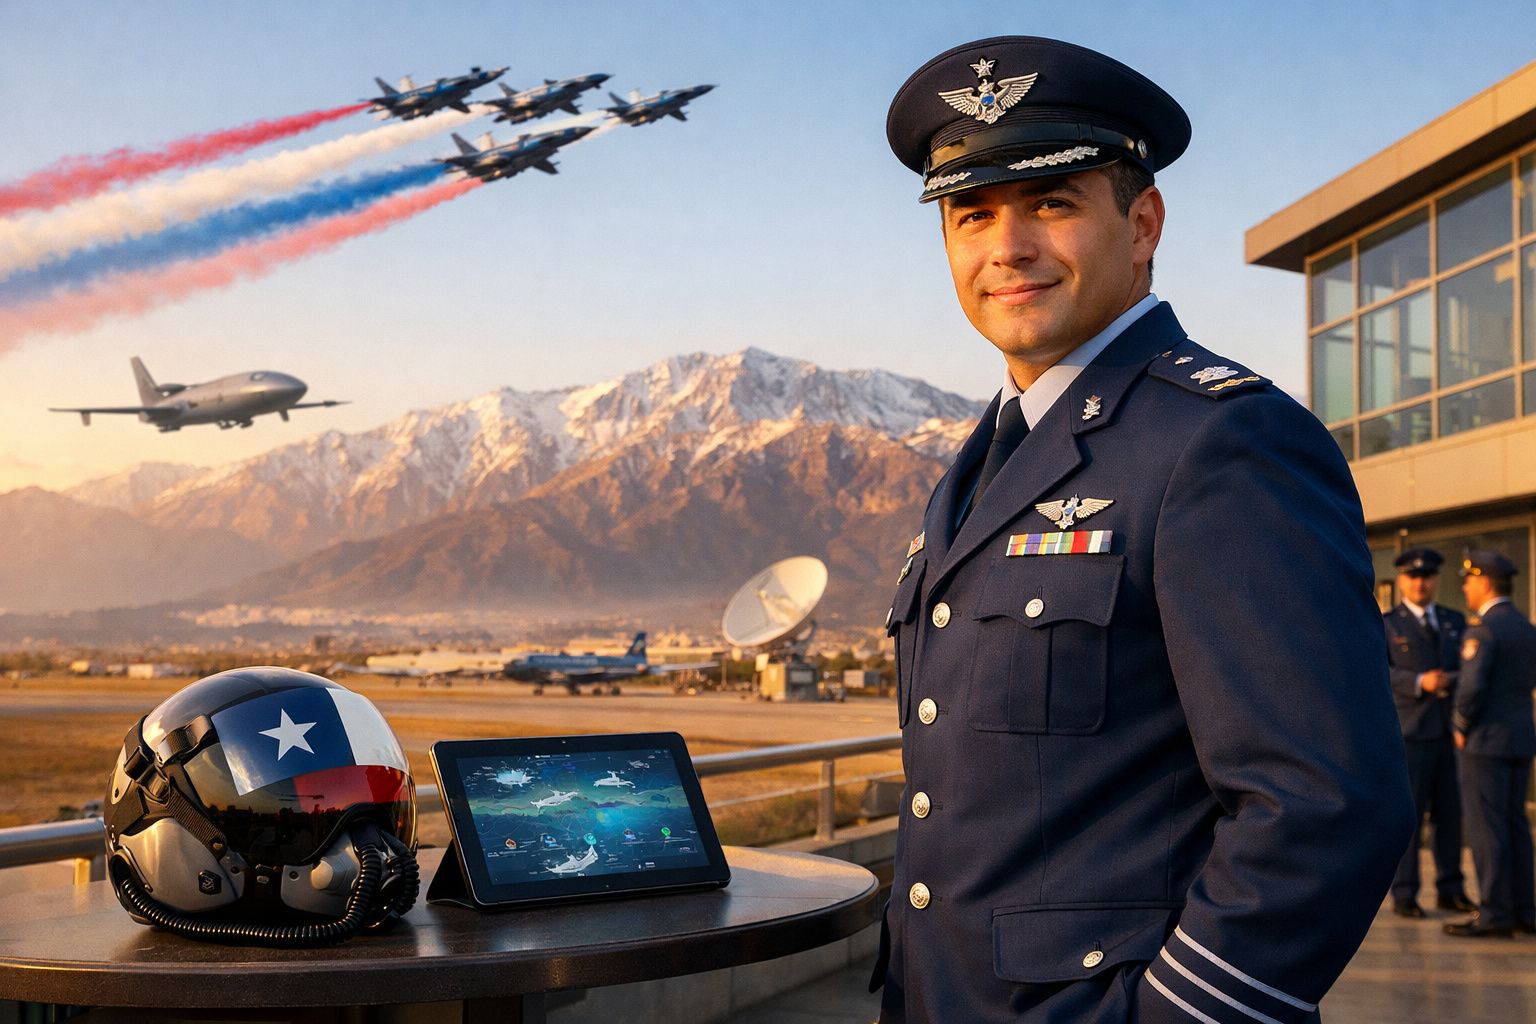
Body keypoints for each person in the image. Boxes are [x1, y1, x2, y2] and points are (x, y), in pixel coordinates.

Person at [872, 35, 1415, 1023]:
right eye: (972, 214)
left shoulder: (1222, 442)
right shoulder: (983, 460)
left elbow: (1327, 805)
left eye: (1052, 202)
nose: (1007, 248)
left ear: (1144, 221)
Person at [1446, 550, 1536, 938]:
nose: (1465, 586)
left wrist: (1460, 723)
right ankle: (1524, 910)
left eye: (1468, 580)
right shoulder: (1525, 627)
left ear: (1484, 583)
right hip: (1519, 736)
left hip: (1484, 740)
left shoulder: (1483, 629)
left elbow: (1471, 687)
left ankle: (1496, 913)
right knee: (1516, 824)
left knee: (1487, 828)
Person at [1384, 547, 1473, 918]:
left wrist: (1447, 680)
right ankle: (1405, 893)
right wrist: (1420, 681)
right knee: (1411, 816)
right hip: (1411, 734)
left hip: (1450, 735)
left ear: (1436, 579)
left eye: (1427, 576)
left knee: (1450, 817)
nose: (1420, 583)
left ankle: (1450, 889)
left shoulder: (1454, 620)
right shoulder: (1388, 624)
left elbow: (1469, 669)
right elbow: (1379, 672)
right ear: (1402, 579)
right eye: (1412, 576)